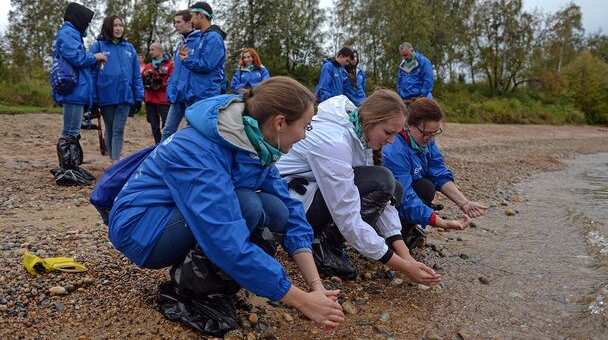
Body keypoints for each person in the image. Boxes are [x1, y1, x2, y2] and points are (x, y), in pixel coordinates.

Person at [108, 77, 344, 332]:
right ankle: (193, 292)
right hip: (142, 230)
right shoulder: (203, 150)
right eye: (306, 127)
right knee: (248, 206)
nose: (305, 135)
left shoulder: (254, 141)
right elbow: (225, 240)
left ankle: (219, 286)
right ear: (279, 123)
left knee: (277, 209)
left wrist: (315, 284)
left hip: (171, 216)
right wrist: (302, 301)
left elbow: (292, 211)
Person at [276, 90, 442, 285]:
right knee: (383, 180)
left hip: (311, 190)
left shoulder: (359, 129)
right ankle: (324, 245)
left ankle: (330, 241)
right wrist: (403, 267)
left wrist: (405, 255)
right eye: (388, 133)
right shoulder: (334, 142)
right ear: (371, 121)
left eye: (395, 135)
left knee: (393, 187)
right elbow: (348, 217)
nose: (390, 141)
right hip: (289, 202)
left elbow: (384, 201)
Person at [382, 98, 487, 248]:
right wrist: (442, 223)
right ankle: (390, 235)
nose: (430, 138)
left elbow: (438, 172)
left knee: (426, 186)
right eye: (426, 133)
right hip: (386, 199)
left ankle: (405, 230)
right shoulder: (394, 150)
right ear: (409, 124)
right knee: (422, 190)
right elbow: (405, 197)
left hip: (407, 190)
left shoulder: (427, 140)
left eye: (434, 133)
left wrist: (464, 203)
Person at [51, 3, 106, 182]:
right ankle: (67, 169)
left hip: (77, 90)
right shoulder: (68, 33)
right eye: (87, 21)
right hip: (73, 90)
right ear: (78, 18)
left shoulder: (72, 34)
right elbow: (77, 57)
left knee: (74, 130)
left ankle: (72, 166)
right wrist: (95, 57)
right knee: (70, 130)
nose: (88, 25)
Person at [90, 15, 144, 161]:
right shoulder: (98, 46)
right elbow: (92, 73)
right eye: (115, 25)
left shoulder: (129, 48)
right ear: (108, 27)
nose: (119, 28)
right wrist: (93, 98)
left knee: (118, 130)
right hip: (106, 95)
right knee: (110, 128)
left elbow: (136, 75)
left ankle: (115, 162)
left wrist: (138, 97)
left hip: (125, 95)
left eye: (121, 25)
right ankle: (112, 160)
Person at [161, 9, 201, 142]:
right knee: (167, 131)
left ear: (189, 23)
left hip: (191, 96)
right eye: (175, 22)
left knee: (191, 133)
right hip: (177, 95)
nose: (176, 25)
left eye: (178, 22)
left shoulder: (200, 41)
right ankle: (159, 158)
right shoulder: (180, 42)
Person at [178, 2, 227, 103]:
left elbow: (206, 65)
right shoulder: (203, 37)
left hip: (207, 95)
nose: (190, 21)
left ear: (201, 15)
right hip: (197, 93)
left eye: (192, 16)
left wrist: (186, 61)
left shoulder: (213, 37)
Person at [142, 43, 173, 144]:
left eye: (152, 49)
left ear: (160, 51)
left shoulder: (170, 65)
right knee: (154, 127)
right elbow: (141, 81)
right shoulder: (148, 66)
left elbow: (171, 81)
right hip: (150, 99)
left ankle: (166, 146)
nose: (150, 52)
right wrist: (146, 76)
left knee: (166, 126)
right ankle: (157, 145)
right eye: (149, 50)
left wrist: (160, 83)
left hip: (163, 100)